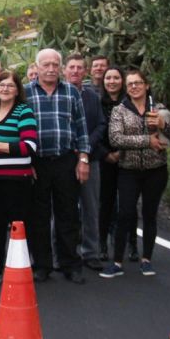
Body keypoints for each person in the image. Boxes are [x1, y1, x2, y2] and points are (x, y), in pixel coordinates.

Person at [101, 68, 170, 279]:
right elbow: (116, 139)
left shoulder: (159, 109)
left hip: (156, 170)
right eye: (130, 84)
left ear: (146, 85)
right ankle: (117, 261)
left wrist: (163, 124)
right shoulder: (120, 110)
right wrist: (147, 141)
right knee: (125, 214)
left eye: (138, 83)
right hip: (128, 170)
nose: (134, 87)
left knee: (150, 214)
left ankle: (147, 259)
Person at [23, 48, 90, 284]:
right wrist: (26, 162)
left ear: (60, 68)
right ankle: (42, 265)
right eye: (46, 65)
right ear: (37, 67)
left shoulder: (71, 92)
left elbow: (81, 128)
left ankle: (70, 264)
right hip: (37, 162)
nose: (50, 69)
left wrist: (83, 159)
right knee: (38, 216)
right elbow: (19, 131)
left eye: (55, 65)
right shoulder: (25, 93)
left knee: (68, 214)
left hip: (65, 161)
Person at [0, 71, 37, 288]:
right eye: (1, 85)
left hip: (18, 180)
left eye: (10, 86)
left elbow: (29, 147)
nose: (5, 89)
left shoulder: (24, 111)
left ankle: (21, 266)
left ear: (17, 89)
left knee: (19, 225)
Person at [64, 52, 107, 271]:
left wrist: (85, 146)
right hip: (64, 159)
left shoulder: (92, 96)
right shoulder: (58, 94)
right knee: (63, 209)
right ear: (65, 70)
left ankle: (91, 252)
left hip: (90, 158)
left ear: (86, 71)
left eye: (80, 68)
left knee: (91, 207)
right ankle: (64, 252)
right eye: (71, 67)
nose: (75, 71)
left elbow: (101, 124)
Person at [98, 67, 134, 262]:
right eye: (108, 78)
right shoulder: (98, 102)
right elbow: (96, 127)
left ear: (122, 81)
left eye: (116, 78)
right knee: (106, 203)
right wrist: (106, 154)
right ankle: (102, 244)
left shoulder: (130, 103)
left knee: (128, 205)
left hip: (128, 158)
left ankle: (132, 244)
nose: (112, 81)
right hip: (105, 159)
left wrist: (123, 152)